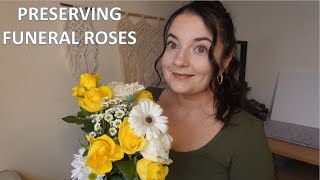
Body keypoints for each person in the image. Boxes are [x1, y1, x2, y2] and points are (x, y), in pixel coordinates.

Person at [146, 1, 275, 180]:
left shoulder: (247, 133)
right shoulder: (141, 101)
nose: (179, 61)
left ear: (224, 63)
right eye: (173, 44)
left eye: (200, 49)